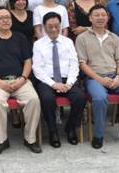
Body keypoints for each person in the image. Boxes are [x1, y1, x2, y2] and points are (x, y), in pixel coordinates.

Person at [76, 4, 119, 149]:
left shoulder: (114, 37)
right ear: (90, 18)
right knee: (100, 98)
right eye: (96, 15)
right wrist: (100, 80)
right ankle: (98, 135)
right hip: (93, 79)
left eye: (103, 15)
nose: (100, 18)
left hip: (114, 76)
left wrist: (118, 77)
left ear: (107, 18)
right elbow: (82, 64)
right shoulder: (82, 38)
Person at [0, 7, 42, 156]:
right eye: (1, 18)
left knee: (34, 100)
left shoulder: (20, 38)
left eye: (8, 17)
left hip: (20, 80)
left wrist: (23, 78)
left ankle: (30, 139)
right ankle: (1, 141)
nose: (6, 20)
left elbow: (28, 61)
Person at [33, 12, 84, 148]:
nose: (54, 29)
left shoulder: (68, 42)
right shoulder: (38, 44)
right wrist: (53, 84)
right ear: (44, 27)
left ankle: (70, 128)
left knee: (80, 97)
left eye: (57, 26)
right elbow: (37, 68)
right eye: (50, 26)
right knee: (47, 99)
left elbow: (74, 64)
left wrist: (69, 83)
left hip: (67, 79)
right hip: (47, 80)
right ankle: (52, 130)